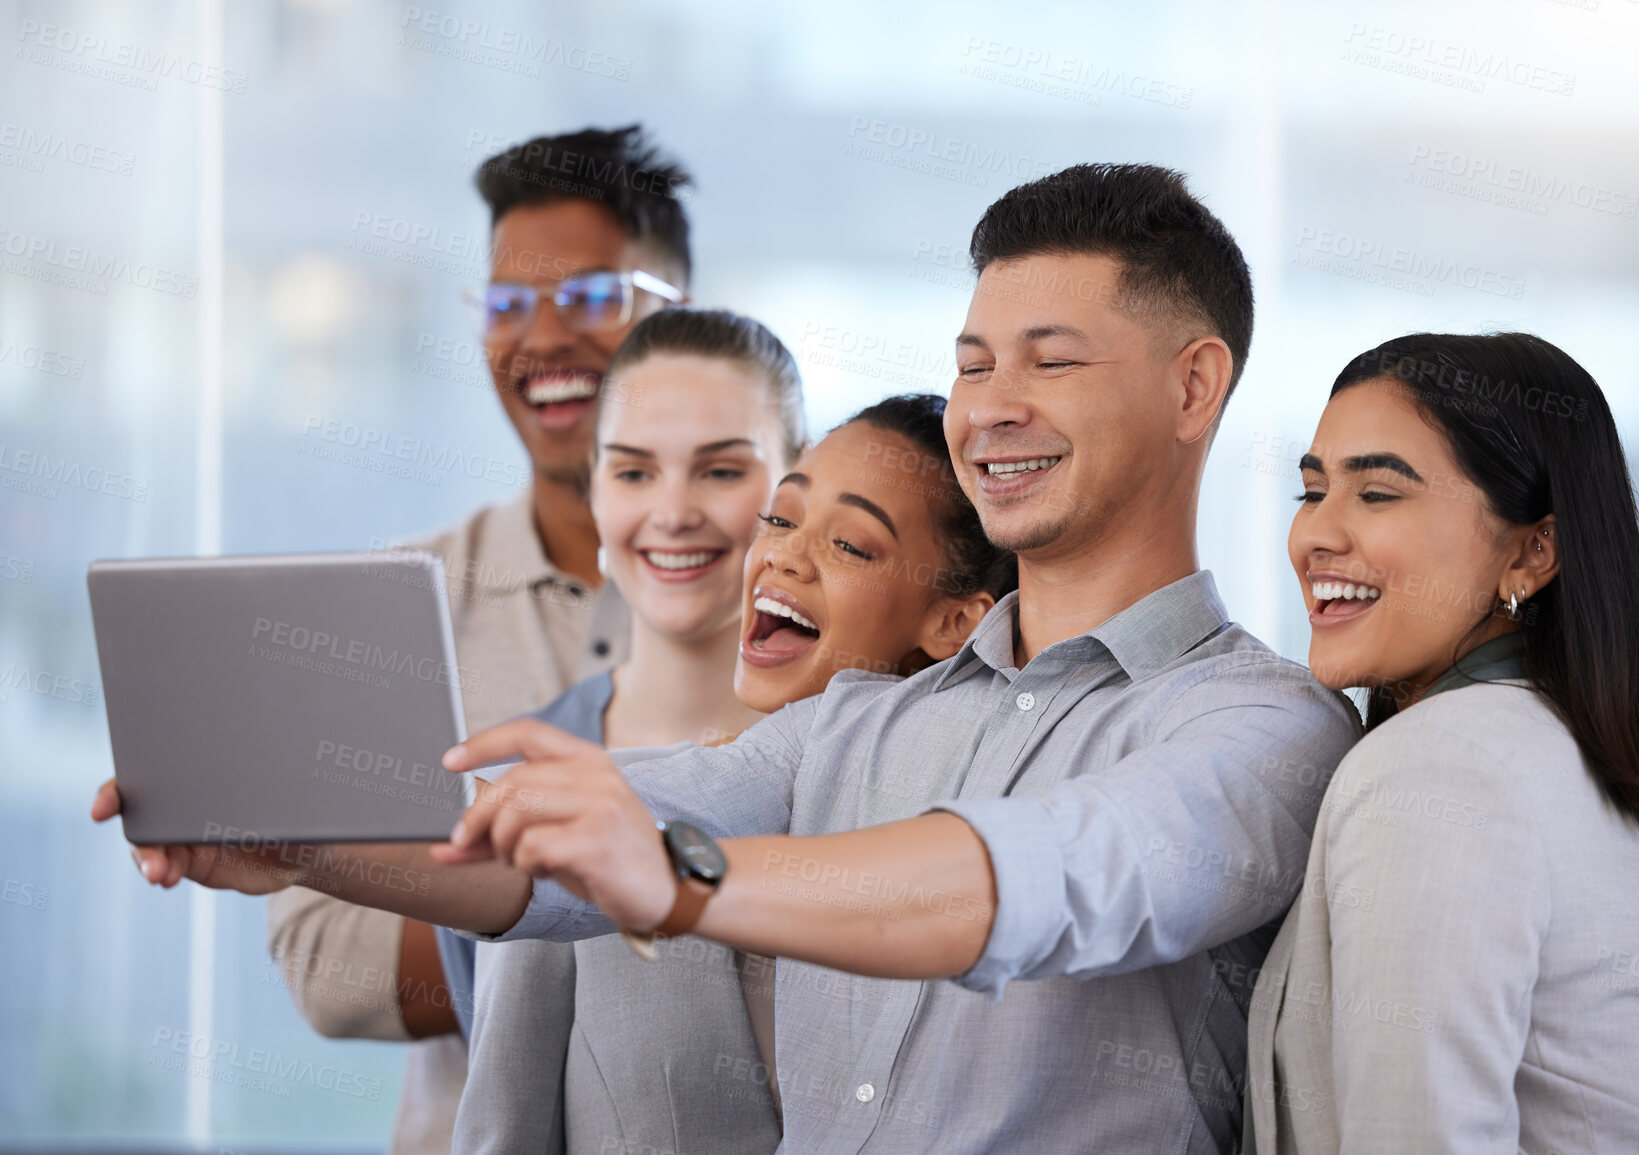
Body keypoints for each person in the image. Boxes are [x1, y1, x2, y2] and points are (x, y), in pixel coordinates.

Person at [102, 163, 1363, 1152]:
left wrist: (678, 878)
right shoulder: (863, 720)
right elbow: (551, 859)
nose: (991, 407)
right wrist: (294, 838)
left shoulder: (1265, 729)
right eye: (974, 364)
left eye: (1052, 360)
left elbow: (1048, 879)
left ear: (1195, 387)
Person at [265, 125, 692, 1155]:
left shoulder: (790, 579)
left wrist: (494, 898)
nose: (540, 338)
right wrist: (639, 908)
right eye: (506, 305)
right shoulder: (396, 605)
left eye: (589, 298)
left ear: (683, 317)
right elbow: (328, 963)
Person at [459, 390, 1014, 1152]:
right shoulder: (605, 817)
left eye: (849, 545)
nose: (783, 554)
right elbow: (503, 1125)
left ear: (956, 622)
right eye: (781, 519)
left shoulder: (985, 871)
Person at [1241, 333, 1639, 1153]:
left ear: (1533, 551)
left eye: (1378, 493)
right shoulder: (1541, 742)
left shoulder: (1440, 763)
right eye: (1312, 491)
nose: (1314, 535)